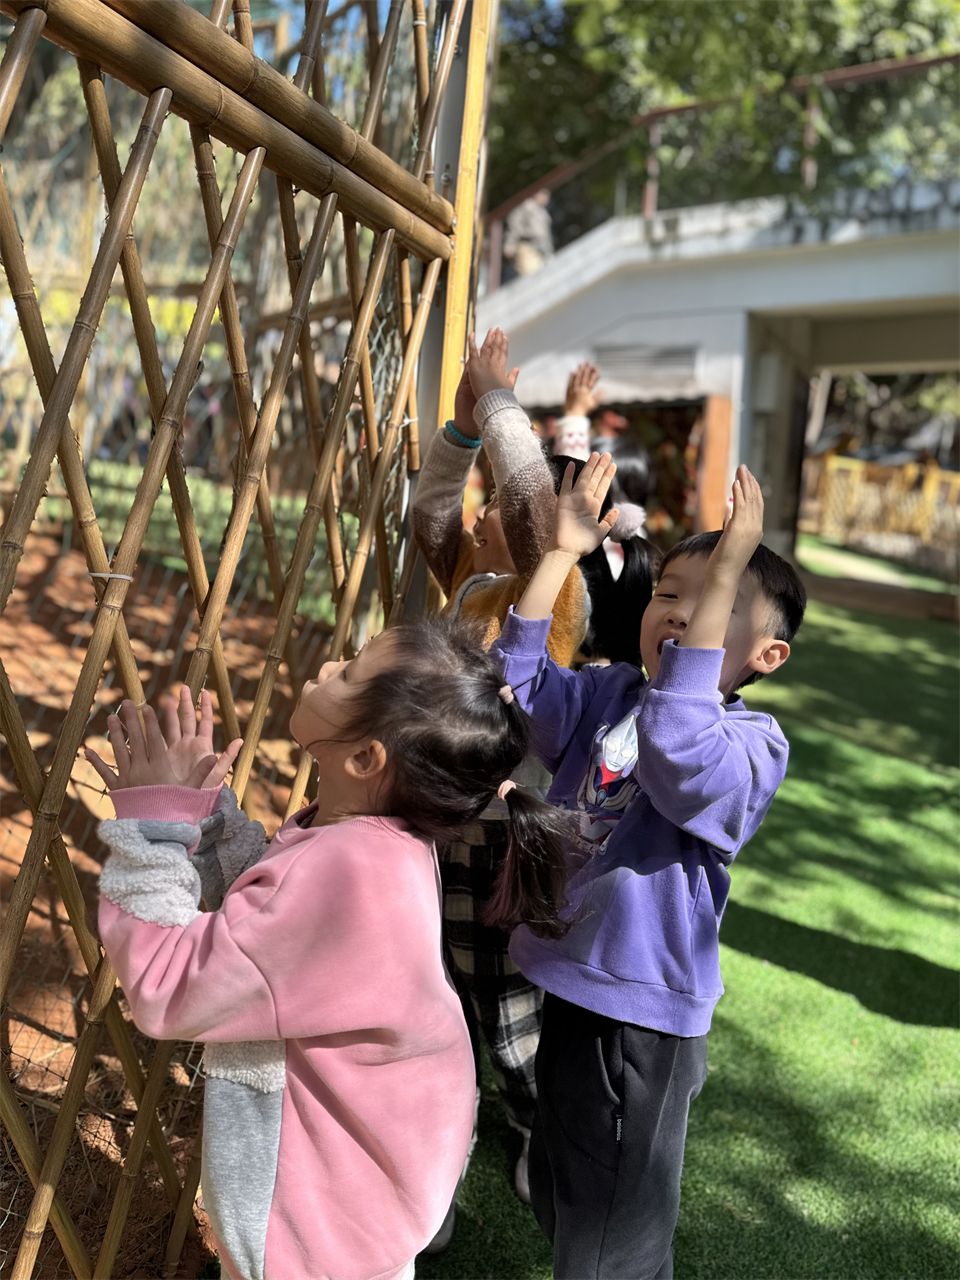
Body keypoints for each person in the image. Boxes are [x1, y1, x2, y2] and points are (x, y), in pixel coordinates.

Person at [85, 618, 572, 1280]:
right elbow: (268, 924)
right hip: (370, 1192)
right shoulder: (379, 843)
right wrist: (207, 820)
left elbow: (167, 987)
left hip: (316, 1227)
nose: (327, 667)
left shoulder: (343, 876)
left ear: (366, 759)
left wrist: (156, 829)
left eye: (349, 671)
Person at [491, 456, 806, 1279]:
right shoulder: (612, 694)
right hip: (571, 981)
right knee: (564, 1195)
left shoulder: (752, 748)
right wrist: (560, 555)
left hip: (642, 1016)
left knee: (614, 1243)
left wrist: (731, 566)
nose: (681, 612)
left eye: (717, 602)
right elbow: (516, 684)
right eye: (669, 593)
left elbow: (681, 746)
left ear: (768, 655)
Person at [411, 329, 592, 1229]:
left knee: (511, 1019)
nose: (479, 507)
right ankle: (429, 1166)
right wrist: (461, 432)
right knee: (426, 1001)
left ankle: (529, 1125)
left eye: (494, 503)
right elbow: (431, 516)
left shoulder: (551, 598)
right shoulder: (472, 578)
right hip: (433, 828)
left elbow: (529, 512)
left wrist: (497, 402)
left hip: (505, 842)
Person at [503, 188, 554, 279]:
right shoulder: (526, 206)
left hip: (540, 248)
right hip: (526, 246)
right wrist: (510, 243)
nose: (546, 199)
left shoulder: (543, 212)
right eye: (544, 195)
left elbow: (545, 235)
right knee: (530, 275)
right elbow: (514, 225)